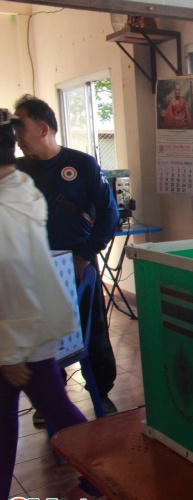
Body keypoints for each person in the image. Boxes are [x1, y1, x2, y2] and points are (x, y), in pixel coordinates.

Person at [0, 108, 88, 500]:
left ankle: (102, 472)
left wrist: (9, 351)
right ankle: (100, 473)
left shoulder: (6, 208)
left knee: (56, 409)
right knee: (37, 409)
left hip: (22, 333)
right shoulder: (20, 187)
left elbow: (14, 280)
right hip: (27, 328)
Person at [13, 95, 120, 416]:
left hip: (78, 264)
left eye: (21, 128)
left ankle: (101, 393)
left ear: (43, 128)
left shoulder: (82, 164)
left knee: (92, 332)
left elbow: (109, 214)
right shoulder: (17, 171)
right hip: (34, 269)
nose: (17, 138)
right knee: (44, 337)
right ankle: (50, 399)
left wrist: (84, 256)